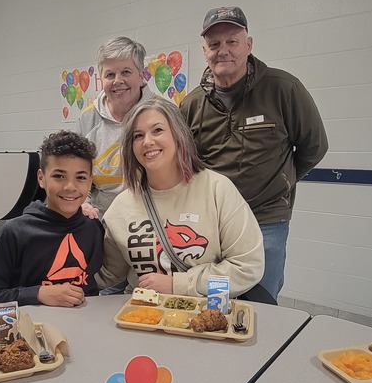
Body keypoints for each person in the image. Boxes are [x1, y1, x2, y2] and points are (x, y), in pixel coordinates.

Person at [180, 6, 328, 300]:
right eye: (214, 44)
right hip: (214, 222)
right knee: (215, 300)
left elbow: (314, 147)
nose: (223, 51)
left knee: (261, 300)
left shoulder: (283, 89)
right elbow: (186, 163)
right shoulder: (191, 104)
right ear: (204, 51)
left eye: (232, 42)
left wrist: (280, 182)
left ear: (248, 45)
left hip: (266, 219)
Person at [98, 96, 264, 297]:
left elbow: (247, 268)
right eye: (138, 136)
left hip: (204, 317)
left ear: (178, 135)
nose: (148, 142)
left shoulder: (217, 189)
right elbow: (107, 274)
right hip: (142, 317)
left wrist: (179, 285)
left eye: (157, 130)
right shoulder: (121, 206)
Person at [0, 131, 104, 313]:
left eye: (81, 177)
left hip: (83, 328)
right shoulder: (15, 232)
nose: (70, 187)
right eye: (59, 176)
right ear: (41, 178)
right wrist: (39, 293)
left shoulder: (93, 228)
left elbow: (93, 287)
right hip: (31, 333)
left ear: (90, 181)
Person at [75, 36, 152, 217]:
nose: (118, 81)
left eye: (126, 72)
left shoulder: (163, 114)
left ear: (141, 76)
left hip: (151, 222)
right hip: (102, 221)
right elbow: (75, 171)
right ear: (101, 79)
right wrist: (82, 203)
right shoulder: (88, 119)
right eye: (110, 74)